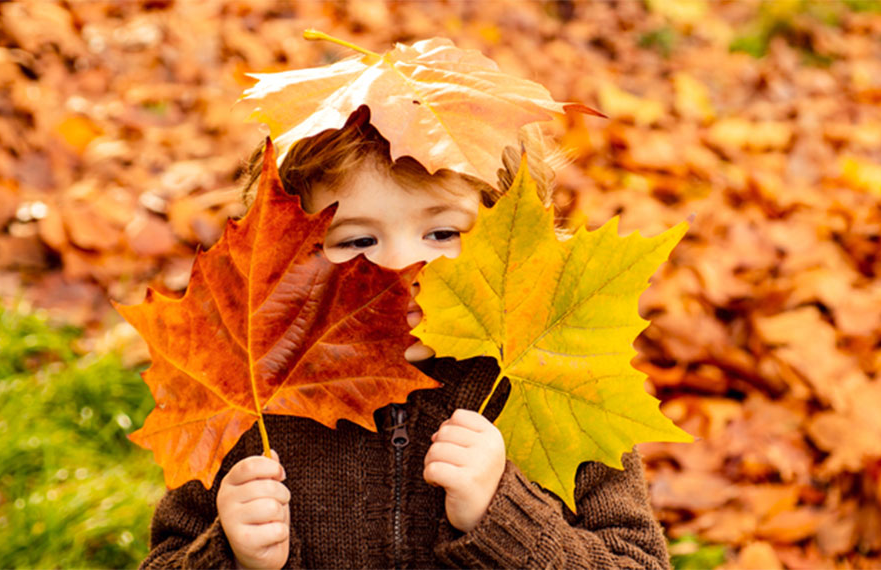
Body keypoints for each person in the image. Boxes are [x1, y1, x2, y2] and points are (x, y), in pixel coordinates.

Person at [140, 104, 672, 569]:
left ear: (514, 244)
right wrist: (229, 555)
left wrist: (504, 515)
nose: (400, 267)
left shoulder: (553, 385)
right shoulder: (253, 402)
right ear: (287, 257)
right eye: (357, 239)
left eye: (443, 233)